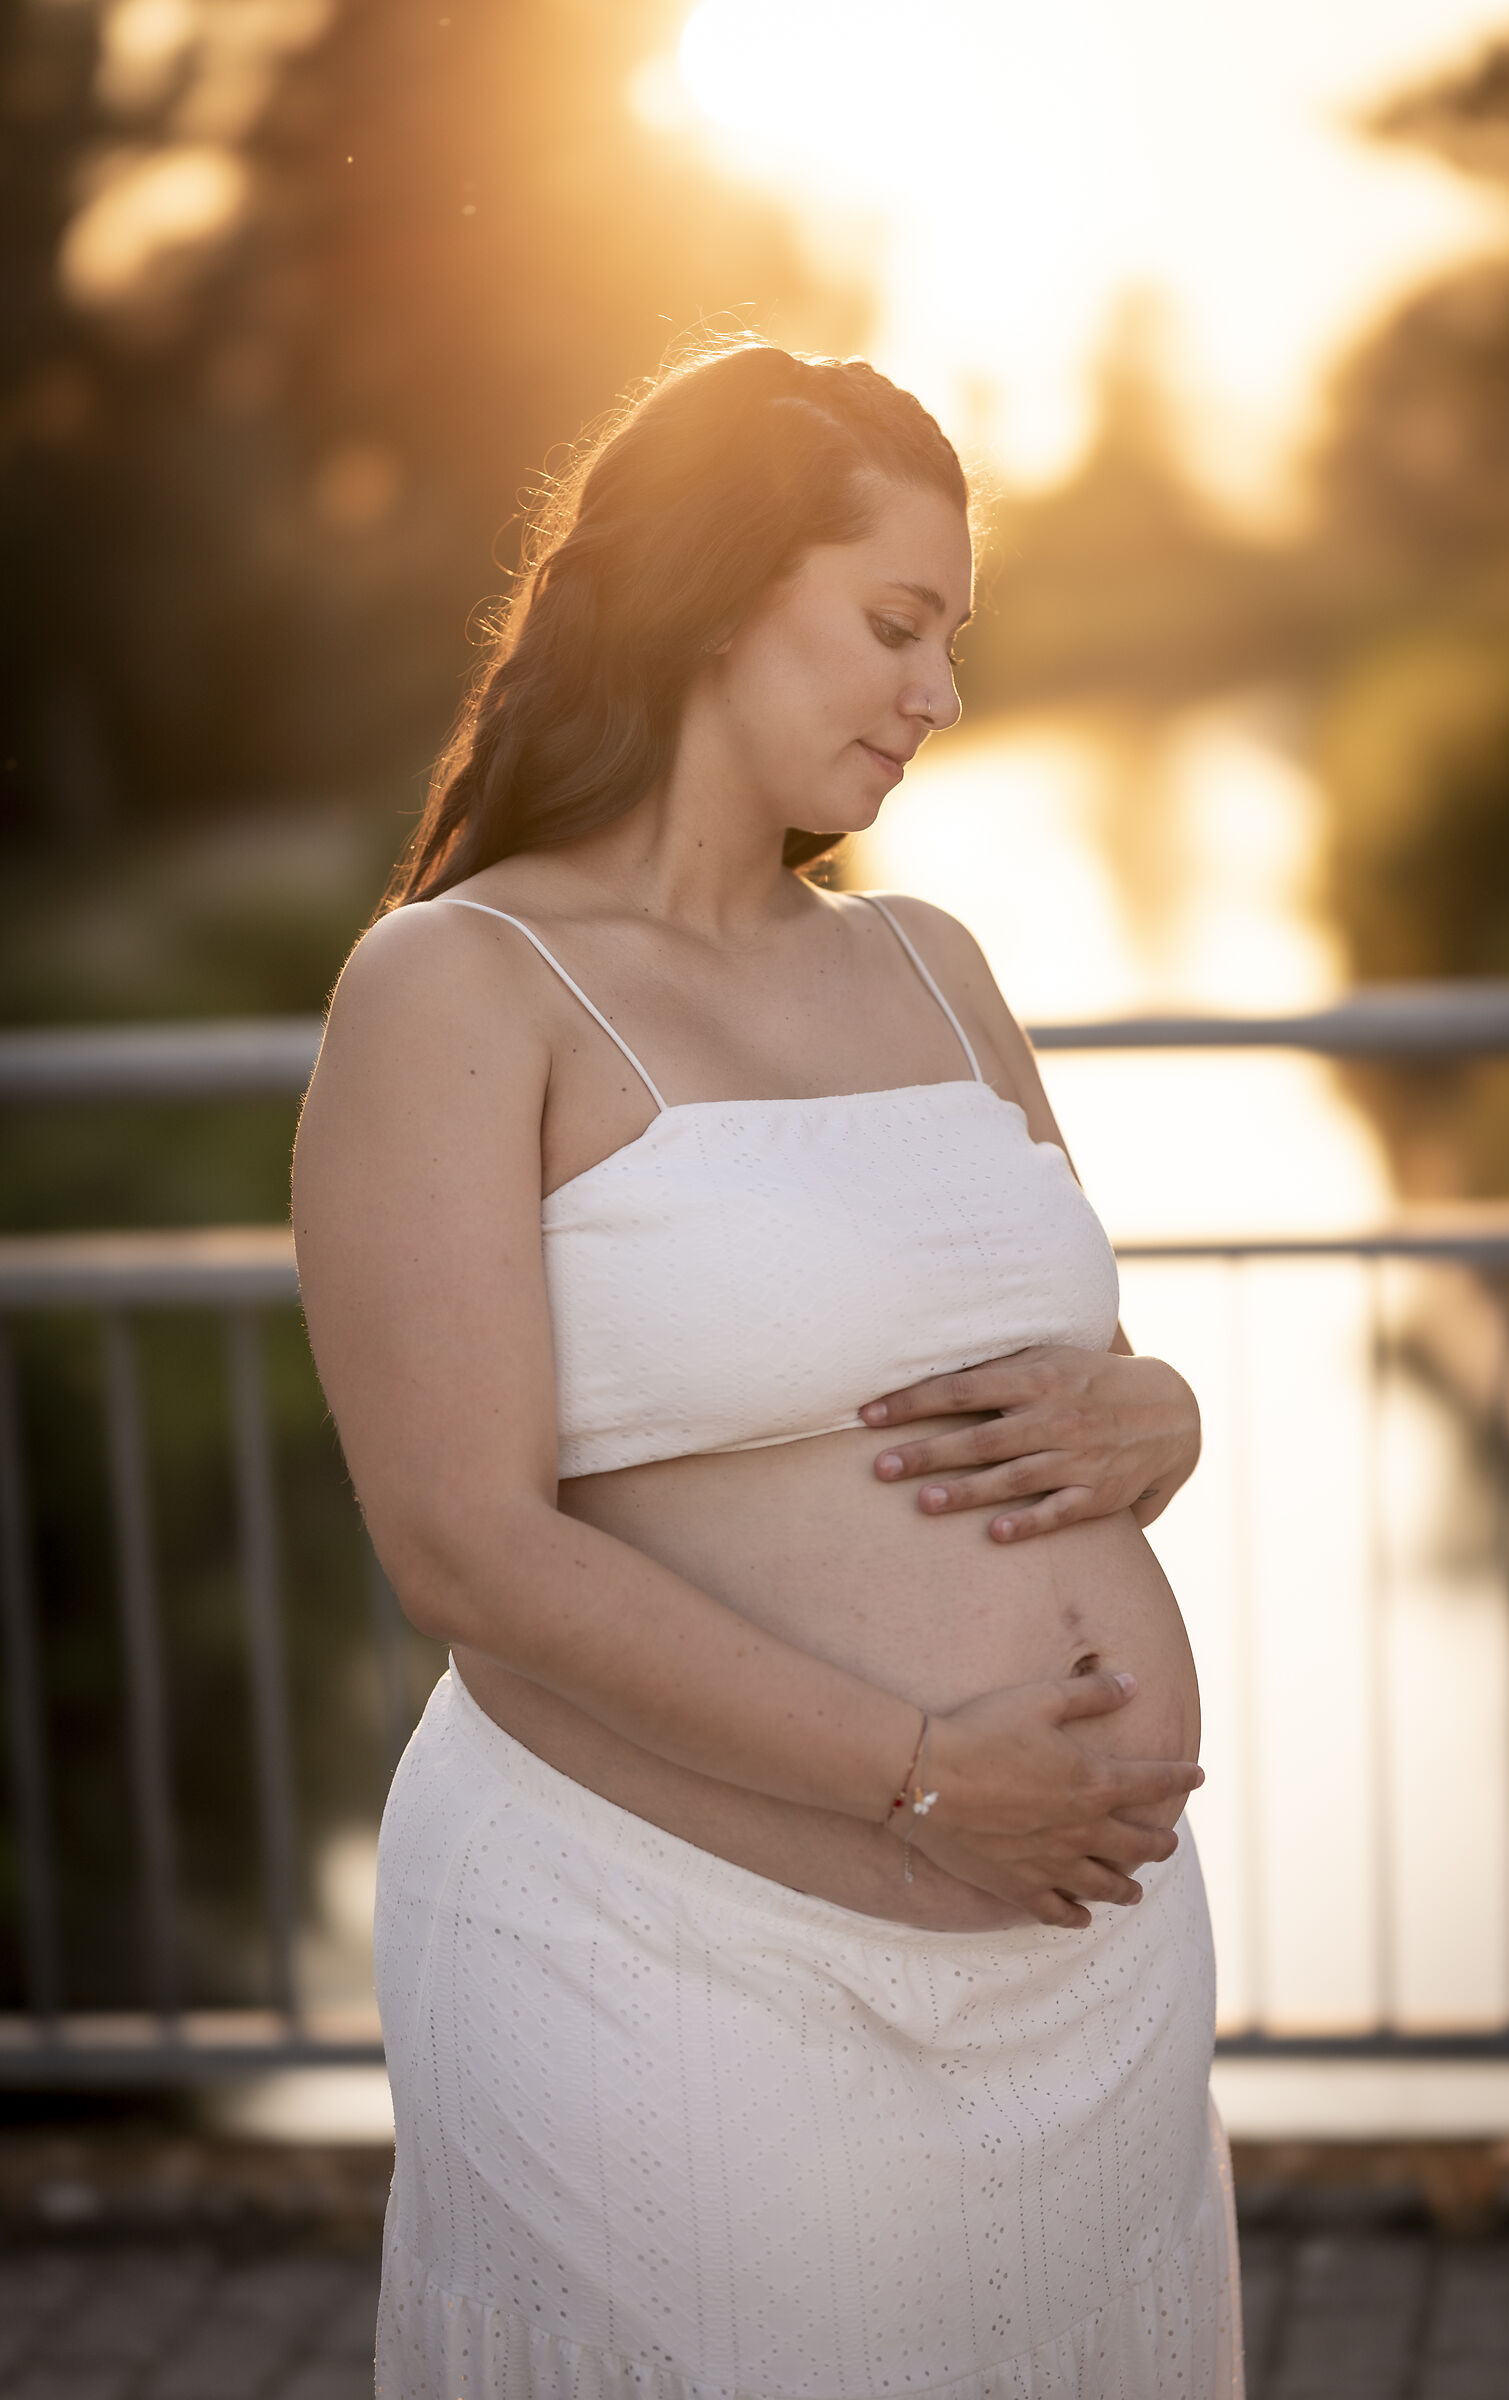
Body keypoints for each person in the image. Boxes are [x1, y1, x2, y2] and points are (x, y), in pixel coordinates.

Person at [293, 339, 1243, 2399]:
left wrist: (1163, 1415)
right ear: (710, 593)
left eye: (952, 639)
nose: (938, 691)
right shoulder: (460, 986)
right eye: (893, 625)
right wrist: (922, 1774)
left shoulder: (933, 965)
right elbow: (462, 1546)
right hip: (669, 1957)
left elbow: (1073, 1391)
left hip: (1081, 1973)